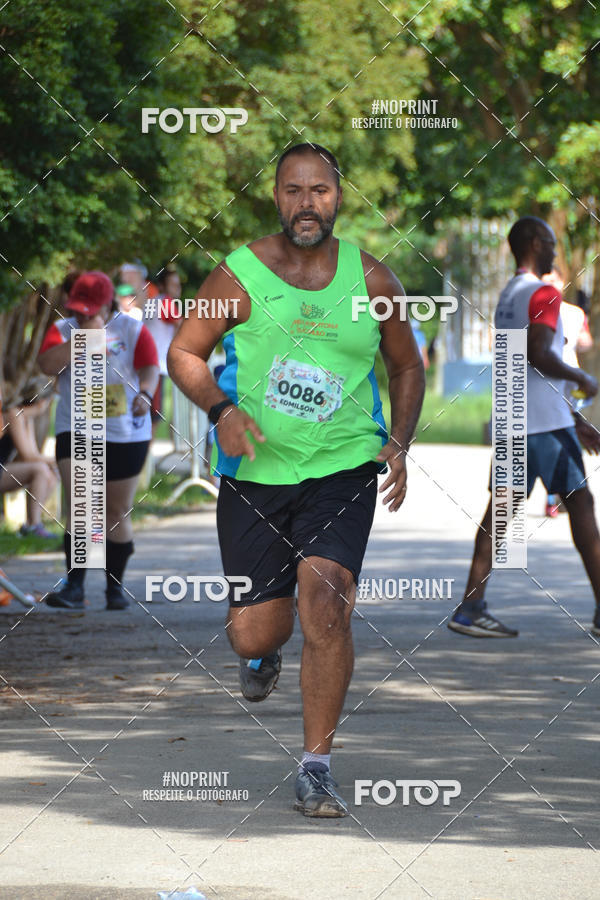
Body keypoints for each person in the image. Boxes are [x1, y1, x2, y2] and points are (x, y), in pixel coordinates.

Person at [168, 143, 425, 817]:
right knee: (256, 630)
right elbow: (184, 353)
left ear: (338, 198)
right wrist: (219, 411)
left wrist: (398, 440)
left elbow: (406, 366)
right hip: (254, 473)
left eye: (319, 190)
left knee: (328, 602)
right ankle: (258, 657)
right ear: (275, 197)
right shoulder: (241, 276)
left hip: (343, 467)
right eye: (292, 190)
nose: (306, 202)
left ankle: (316, 766)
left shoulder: (372, 282)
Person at [449, 216, 600, 639]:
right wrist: (581, 378)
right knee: (583, 508)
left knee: (497, 516)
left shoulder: (509, 295)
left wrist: (576, 421)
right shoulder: (545, 293)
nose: (554, 250)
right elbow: (537, 355)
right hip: (545, 427)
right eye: (550, 243)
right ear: (535, 243)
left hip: (518, 419)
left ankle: (470, 608)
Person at [38, 271, 159, 610]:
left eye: (89, 311)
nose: (82, 316)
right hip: (75, 427)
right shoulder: (63, 330)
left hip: (125, 431)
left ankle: (114, 588)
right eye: (78, 309)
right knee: (82, 505)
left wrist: (146, 393)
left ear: (107, 304)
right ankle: (74, 586)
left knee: (114, 511)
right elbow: (46, 365)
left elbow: (149, 366)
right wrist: (83, 339)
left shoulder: (131, 329)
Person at [0, 388, 58, 539]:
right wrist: (60, 460)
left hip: (4, 468)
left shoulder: (27, 419)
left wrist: (55, 462)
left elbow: (33, 455)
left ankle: (29, 526)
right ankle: (34, 525)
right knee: (40, 470)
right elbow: (28, 456)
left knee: (50, 474)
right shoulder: (13, 413)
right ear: (42, 402)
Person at [143, 263, 182, 434]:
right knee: (154, 417)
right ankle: (144, 457)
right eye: (173, 285)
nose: (178, 289)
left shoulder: (154, 302)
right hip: (156, 367)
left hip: (149, 365)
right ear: (163, 286)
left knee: (149, 414)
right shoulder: (165, 302)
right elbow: (184, 327)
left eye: (178, 285)